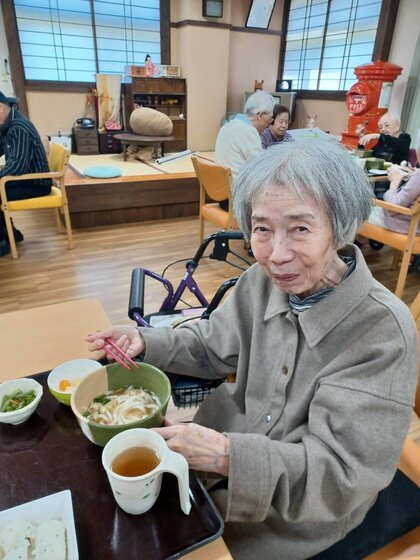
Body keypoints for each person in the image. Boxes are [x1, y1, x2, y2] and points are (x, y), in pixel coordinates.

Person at [87, 140, 418, 560]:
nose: (276, 255)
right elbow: (212, 344)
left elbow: (340, 477)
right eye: (262, 229)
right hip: (214, 461)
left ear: (339, 227)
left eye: (300, 229)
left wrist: (227, 456)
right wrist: (145, 340)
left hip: (296, 518)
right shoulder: (259, 283)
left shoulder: (380, 332)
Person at [0, 91, 51, 257]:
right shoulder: (7, 124)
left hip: (36, 183)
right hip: (25, 179)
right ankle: (11, 234)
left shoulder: (18, 127)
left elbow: (17, 167)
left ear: (0, 109)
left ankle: (3, 242)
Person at [215, 90, 274, 210]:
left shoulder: (227, 126)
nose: (267, 126)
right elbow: (262, 167)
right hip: (237, 201)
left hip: (222, 195)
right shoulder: (247, 130)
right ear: (261, 115)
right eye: (269, 121)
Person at [365, 128, 420, 234]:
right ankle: (362, 242)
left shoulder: (418, 176)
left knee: (355, 211)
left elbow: (392, 208)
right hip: (414, 225)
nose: (383, 128)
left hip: (403, 225)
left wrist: (394, 182)